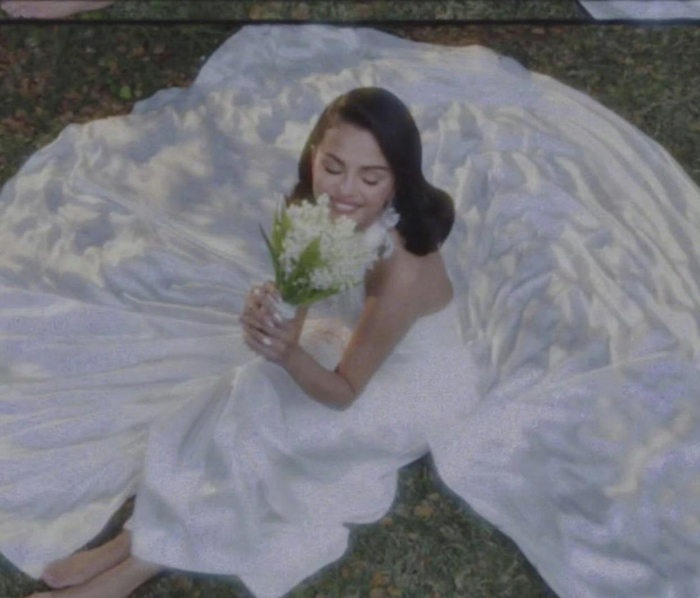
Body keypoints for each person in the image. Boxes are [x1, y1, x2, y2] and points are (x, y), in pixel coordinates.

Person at [23, 87, 457, 598]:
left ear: (397, 180)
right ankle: (134, 538)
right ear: (314, 154)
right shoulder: (322, 209)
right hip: (349, 346)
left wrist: (289, 352)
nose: (344, 190)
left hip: (402, 389)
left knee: (272, 442)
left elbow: (344, 393)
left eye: (371, 177)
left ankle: (136, 568)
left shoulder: (403, 271)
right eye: (333, 166)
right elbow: (307, 300)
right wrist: (274, 310)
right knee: (247, 390)